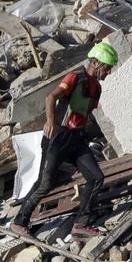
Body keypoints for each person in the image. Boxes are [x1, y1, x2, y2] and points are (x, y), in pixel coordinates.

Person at [10, 42, 118, 238]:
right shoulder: (74, 77)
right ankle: (19, 222)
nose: (108, 72)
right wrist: (51, 121)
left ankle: (81, 224)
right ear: (94, 62)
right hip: (58, 137)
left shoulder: (97, 87)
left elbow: (87, 109)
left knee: (96, 178)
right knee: (45, 184)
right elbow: (51, 97)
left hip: (77, 139)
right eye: (106, 67)